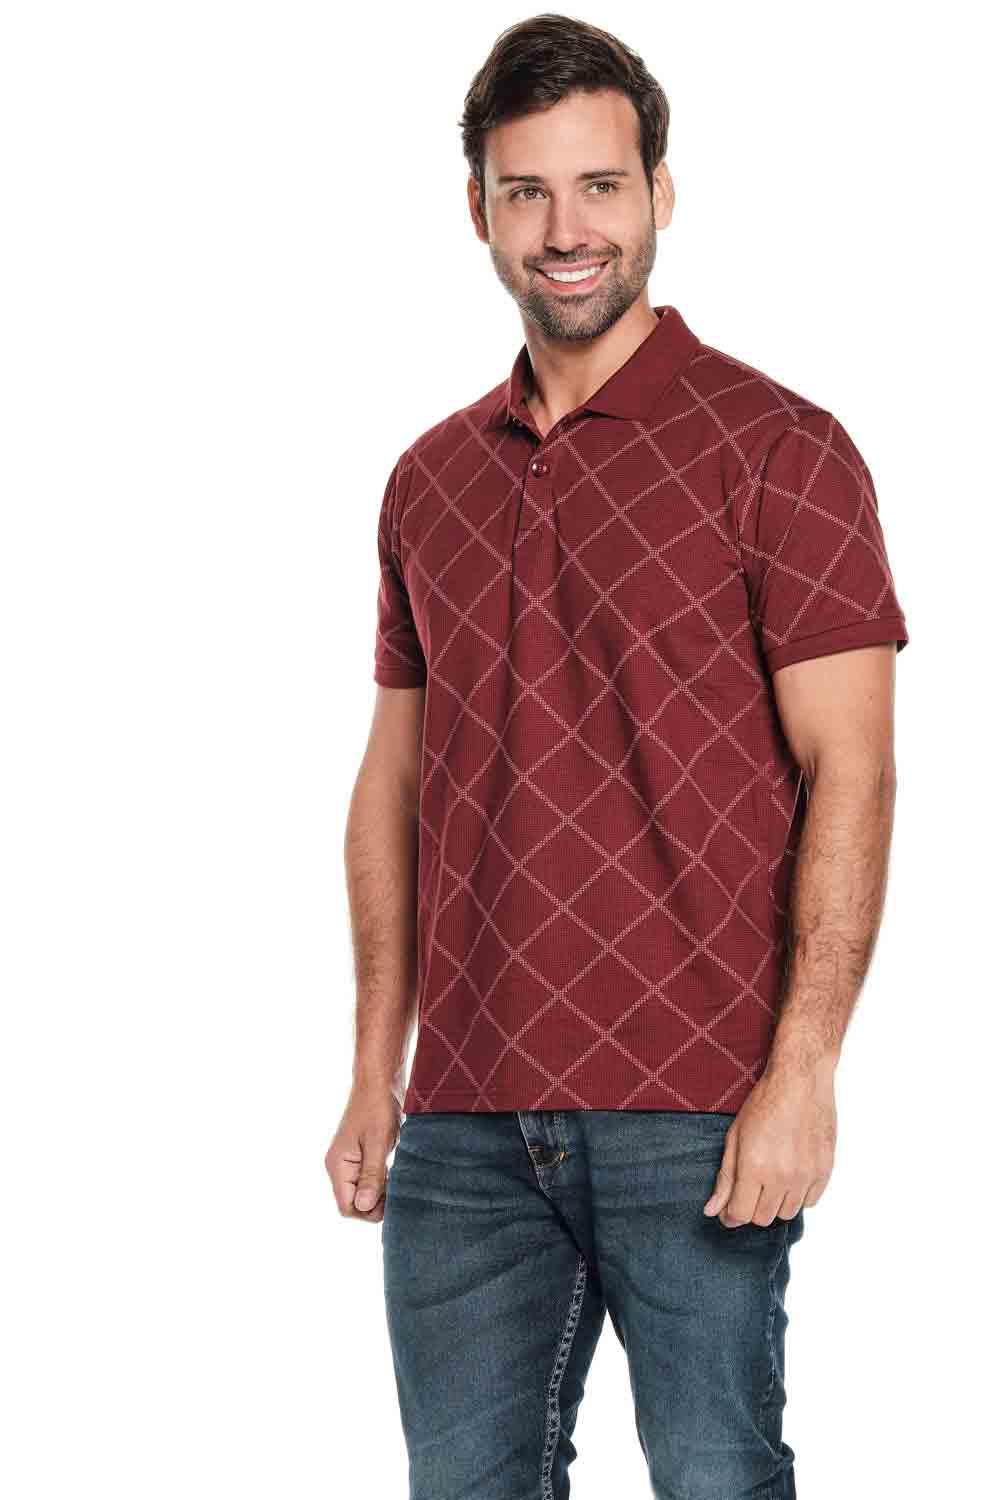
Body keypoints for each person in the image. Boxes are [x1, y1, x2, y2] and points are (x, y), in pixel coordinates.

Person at [326, 15, 909, 1499]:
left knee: (719, 1480)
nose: (565, 229)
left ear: (661, 193)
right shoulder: (428, 480)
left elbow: (854, 771)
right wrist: (376, 1071)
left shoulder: (780, 448)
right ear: (477, 208)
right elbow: (394, 783)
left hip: (697, 1105)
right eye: (526, 191)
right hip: (463, 1119)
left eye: (600, 186)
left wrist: (805, 1071)